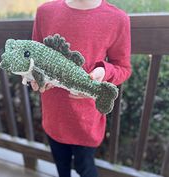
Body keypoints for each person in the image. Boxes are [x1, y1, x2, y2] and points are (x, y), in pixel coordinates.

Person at [31, 0, 132, 176]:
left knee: (85, 168)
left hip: (87, 121)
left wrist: (103, 71)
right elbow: (34, 57)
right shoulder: (45, 12)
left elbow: (123, 67)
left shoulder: (118, 19)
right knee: (61, 166)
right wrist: (35, 77)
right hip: (54, 118)